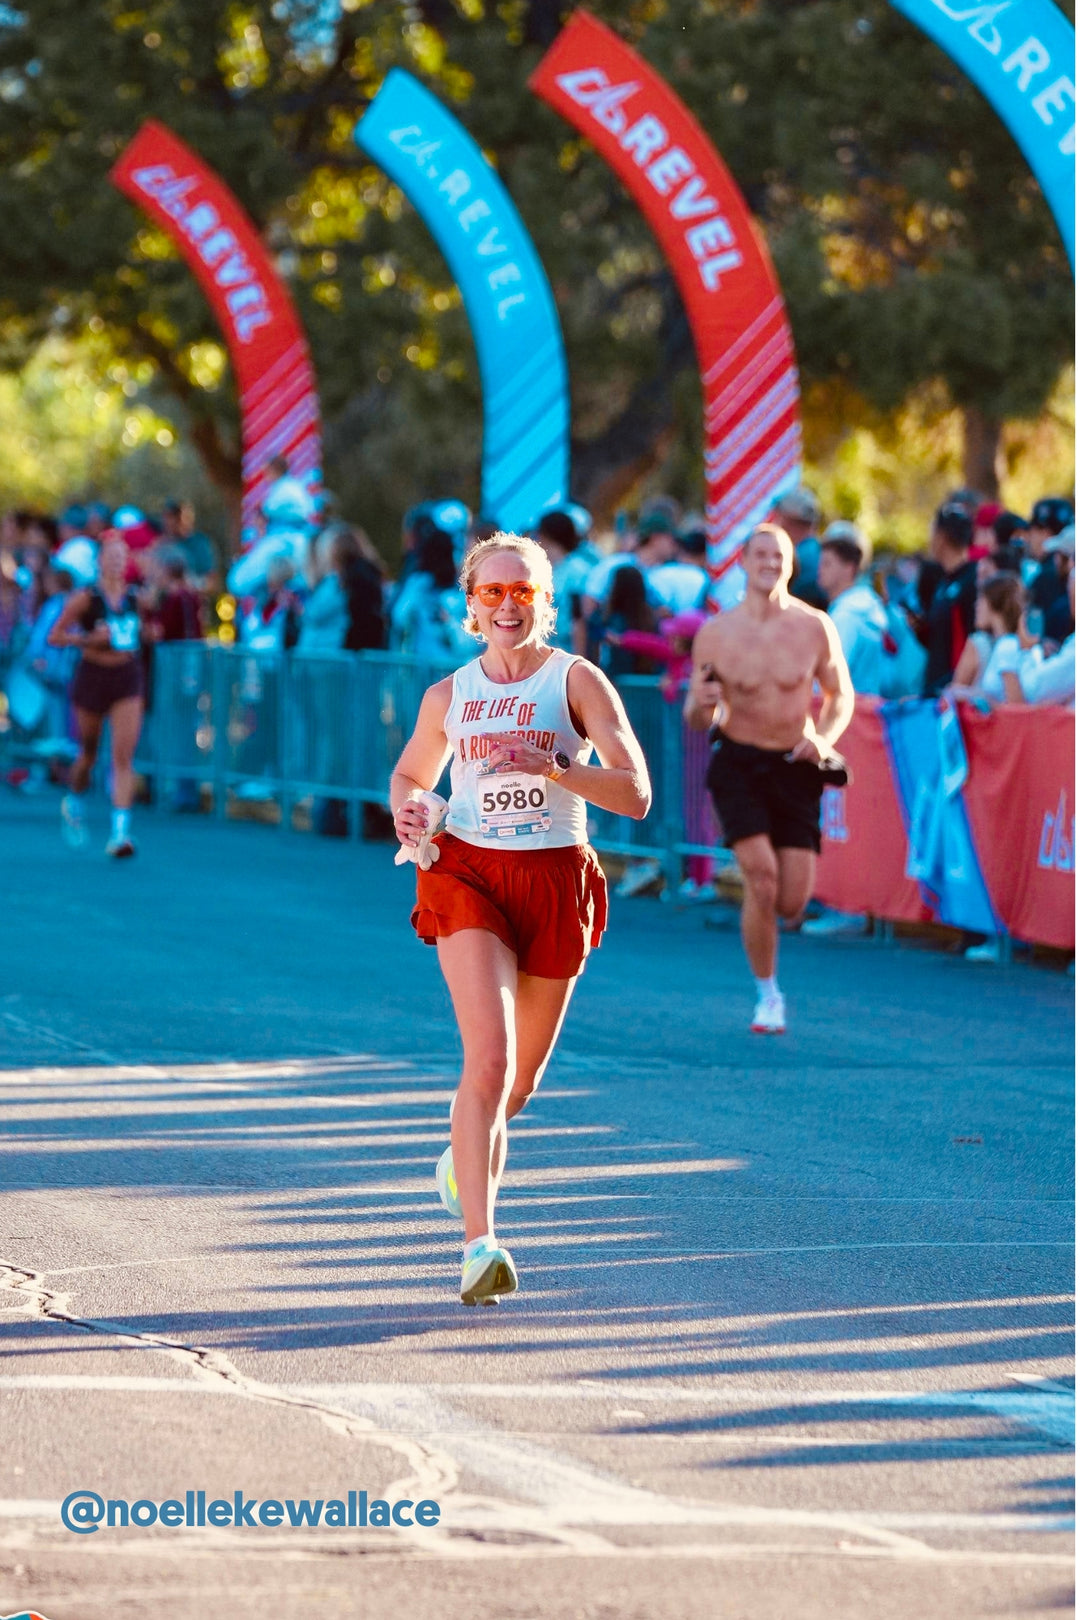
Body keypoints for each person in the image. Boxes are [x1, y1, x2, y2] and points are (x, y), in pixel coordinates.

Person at [390, 531, 651, 1306]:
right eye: (493, 593)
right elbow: (412, 770)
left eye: (523, 592)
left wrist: (555, 766)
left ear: (546, 601)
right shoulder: (449, 695)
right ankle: (480, 1244)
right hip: (466, 873)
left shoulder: (576, 682)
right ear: (471, 606)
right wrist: (408, 810)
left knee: (521, 1083)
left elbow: (635, 793)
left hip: (553, 876)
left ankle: (458, 1158)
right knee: (490, 1057)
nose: (508, 605)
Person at [685, 524, 854, 1033]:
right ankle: (768, 995)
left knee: (791, 901)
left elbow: (840, 695)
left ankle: (771, 954)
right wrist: (702, 706)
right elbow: (697, 715)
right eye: (760, 554)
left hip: (795, 766)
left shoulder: (814, 625)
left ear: (790, 563)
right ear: (743, 560)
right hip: (738, 763)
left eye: (778, 555)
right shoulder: (716, 633)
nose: (769, 563)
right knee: (761, 878)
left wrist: (823, 739)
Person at [48, 534, 145, 857]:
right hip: (93, 676)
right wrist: (88, 639)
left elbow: (142, 630)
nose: (117, 563)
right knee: (88, 753)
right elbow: (56, 635)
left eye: (122, 557)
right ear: (100, 561)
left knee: (122, 756)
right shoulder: (85, 599)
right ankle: (74, 798)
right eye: (111, 557)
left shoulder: (136, 597)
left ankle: (120, 833)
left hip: (126, 677)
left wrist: (149, 633)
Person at [816, 521, 889, 696]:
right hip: (867, 713)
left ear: (849, 569)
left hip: (849, 715)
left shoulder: (846, 617)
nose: (820, 570)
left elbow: (829, 679)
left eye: (827, 564)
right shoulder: (866, 607)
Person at [390, 522, 473, 663]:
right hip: (428, 665)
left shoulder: (460, 591)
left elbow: (398, 616)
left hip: (444, 665)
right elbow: (400, 616)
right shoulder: (419, 584)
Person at [916, 502, 977, 696]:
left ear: (942, 537)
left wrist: (944, 689)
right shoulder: (942, 580)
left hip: (952, 697)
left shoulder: (971, 582)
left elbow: (972, 644)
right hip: (935, 689)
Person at [947, 574, 1024, 702]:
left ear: (993, 603)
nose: (976, 606)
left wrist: (975, 697)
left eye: (981, 600)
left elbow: (1015, 706)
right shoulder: (1018, 644)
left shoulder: (1000, 646)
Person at [771, 486, 825, 609]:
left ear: (787, 521)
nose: (775, 523)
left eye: (778, 517)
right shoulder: (819, 551)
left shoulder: (795, 558)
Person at [160, 499, 219, 592]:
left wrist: (192, 584)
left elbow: (211, 582)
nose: (170, 522)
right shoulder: (162, 546)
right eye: (168, 517)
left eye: (176, 516)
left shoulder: (200, 543)